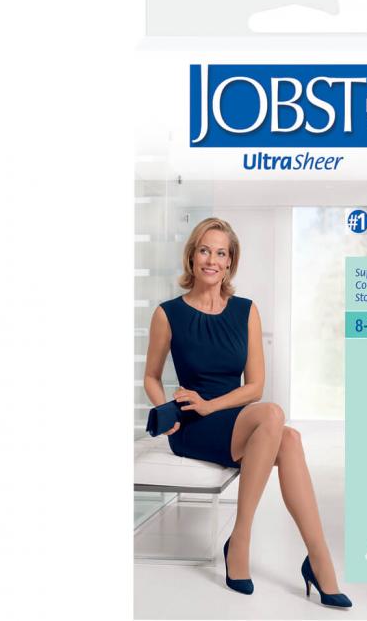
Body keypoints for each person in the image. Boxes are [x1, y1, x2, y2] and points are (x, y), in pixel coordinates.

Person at [143, 217, 351, 607]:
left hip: (231, 416)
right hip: (191, 426)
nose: (212, 260)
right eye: (205, 250)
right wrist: (165, 409)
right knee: (274, 418)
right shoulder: (167, 313)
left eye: (221, 253)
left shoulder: (246, 310)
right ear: (192, 257)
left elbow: (254, 386)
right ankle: (249, 541)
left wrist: (212, 404)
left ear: (230, 262)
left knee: (288, 436)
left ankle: (312, 555)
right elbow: (151, 377)